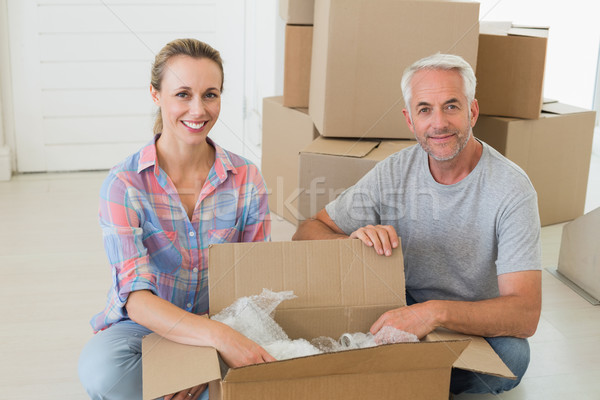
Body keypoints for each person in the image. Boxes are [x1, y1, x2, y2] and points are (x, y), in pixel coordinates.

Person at [292, 53, 542, 395]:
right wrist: (352, 242)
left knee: (512, 359)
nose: (438, 123)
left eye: (451, 106)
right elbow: (306, 231)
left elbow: (525, 313)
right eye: (425, 109)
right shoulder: (393, 171)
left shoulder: (512, 188)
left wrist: (434, 314)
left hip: (467, 323)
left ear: (472, 111)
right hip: (396, 305)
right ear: (410, 120)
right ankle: (405, 375)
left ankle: (386, 374)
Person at [78, 38, 275, 400]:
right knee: (102, 369)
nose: (198, 110)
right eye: (183, 94)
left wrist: (211, 347)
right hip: (147, 327)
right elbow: (136, 299)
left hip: (224, 320)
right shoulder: (123, 184)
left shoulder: (247, 178)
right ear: (156, 95)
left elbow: (252, 281)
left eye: (210, 94)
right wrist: (211, 344)